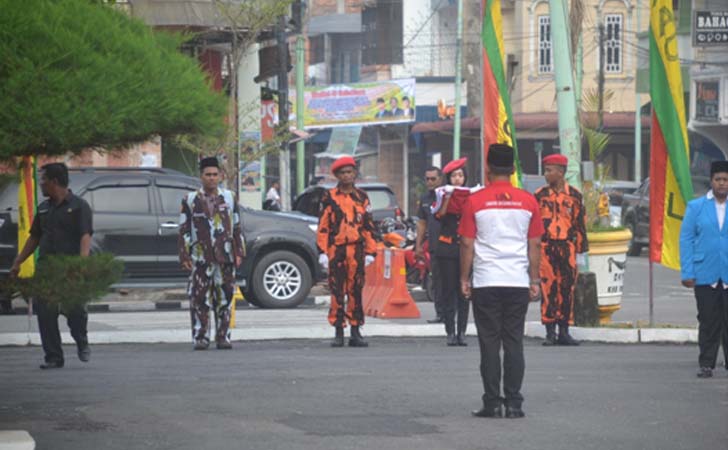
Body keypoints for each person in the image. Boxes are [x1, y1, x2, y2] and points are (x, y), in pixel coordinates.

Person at [459, 144, 544, 418]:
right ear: (513, 169)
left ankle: (493, 403)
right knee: (513, 342)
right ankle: (515, 403)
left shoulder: (475, 201)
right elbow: (535, 245)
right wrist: (534, 280)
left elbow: (466, 244)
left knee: (489, 343)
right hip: (517, 281)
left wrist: (464, 277)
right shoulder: (529, 201)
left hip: (486, 281)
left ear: (488, 168)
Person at [10, 163, 93, 369]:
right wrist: (18, 261)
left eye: (44, 180)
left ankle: (81, 339)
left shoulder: (79, 206)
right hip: (46, 269)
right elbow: (35, 237)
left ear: (55, 182)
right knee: (45, 312)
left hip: (69, 269)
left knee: (74, 310)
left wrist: (82, 264)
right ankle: (54, 357)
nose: (41, 184)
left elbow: (85, 235)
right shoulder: (44, 208)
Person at [179, 157, 245, 351]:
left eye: (215, 175)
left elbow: (238, 225)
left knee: (225, 298)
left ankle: (223, 337)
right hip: (200, 258)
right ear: (201, 177)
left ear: (221, 176)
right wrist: (184, 255)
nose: (211, 178)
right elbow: (183, 229)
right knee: (199, 299)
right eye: (208, 175)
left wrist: (239, 252)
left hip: (225, 257)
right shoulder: (190, 200)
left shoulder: (230, 197)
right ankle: (201, 337)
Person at [317, 156, 377, 347]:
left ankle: (355, 330)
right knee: (337, 290)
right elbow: (323, 226)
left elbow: (368, 226)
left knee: (356, 290)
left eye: (350, 172)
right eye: (342, 173)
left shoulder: (362, 197)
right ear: (337, 175)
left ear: (355, 174)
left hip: (357, 249)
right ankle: (338, 331)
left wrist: (371, 252)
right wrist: (322, 251)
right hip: (337, 249)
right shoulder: (329, 197)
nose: (346, 176)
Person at [679, 160, 728, 378]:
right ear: (711, 181)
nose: (722, 184)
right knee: (708, 320)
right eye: (718, 179)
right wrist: (687, 272)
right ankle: (707, 363)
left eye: (726, 180)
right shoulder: (696, 207)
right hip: (705, 273)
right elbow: (686, 239)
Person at [534, 154, 588, 346]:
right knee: (548, 288)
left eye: (549, 170)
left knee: (567, 288)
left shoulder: (574, 196)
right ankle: (550, 331)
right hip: (547, 247)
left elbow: (580, 225)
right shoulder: (540, 195)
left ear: (561, 172)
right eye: (545, 170)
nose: (546, 174)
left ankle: (564, 330)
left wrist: (581, 252)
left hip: (567, 246)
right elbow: (533, 225)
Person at [433, 158, 471, 346]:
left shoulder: (470, 195)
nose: (458, 179)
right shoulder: (441, 194)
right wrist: (448, 196)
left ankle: (462, 332)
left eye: (461, 175)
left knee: (464, 292)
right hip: (447, 248)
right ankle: (450, 331)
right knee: (448, 291)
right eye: (454, 176)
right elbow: (439, 215)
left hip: (465, 249)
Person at [415, 166, 444, 323]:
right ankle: (440, 313)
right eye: (427, 179)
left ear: (440, 179)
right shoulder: (425, 199)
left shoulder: (447, 196)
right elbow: (422, 223)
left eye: (433, 179)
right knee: (437, 280)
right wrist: (418, 245)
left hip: (451, 246)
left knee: (451, 282)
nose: (430, 182)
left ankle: (453, 314)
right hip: (434, 247)